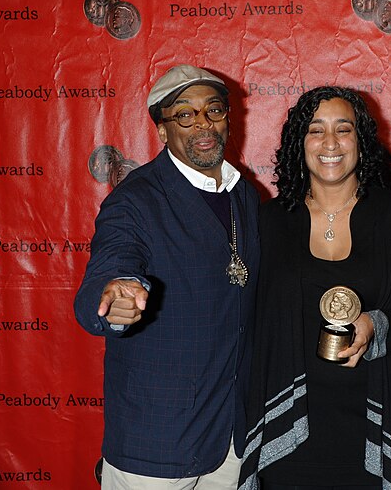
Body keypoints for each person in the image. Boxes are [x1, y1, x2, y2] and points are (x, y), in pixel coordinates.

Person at [238, 86, 391, 490]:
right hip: (286, 425)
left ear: (361, 141)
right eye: (316, 130)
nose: (330, 143)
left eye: (343, 129)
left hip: (373, 427)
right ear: (300, 142)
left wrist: (376, 327)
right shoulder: (269, 221)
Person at [74, 65, 260, 489]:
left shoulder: (245, 195)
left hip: (232, 437)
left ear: (229, 119)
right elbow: (109, 270)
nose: (203, 125)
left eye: (213, 111)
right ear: (162, 130)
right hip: (155, 441)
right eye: (185, 115)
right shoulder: (135, 200)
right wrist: (114, 302)